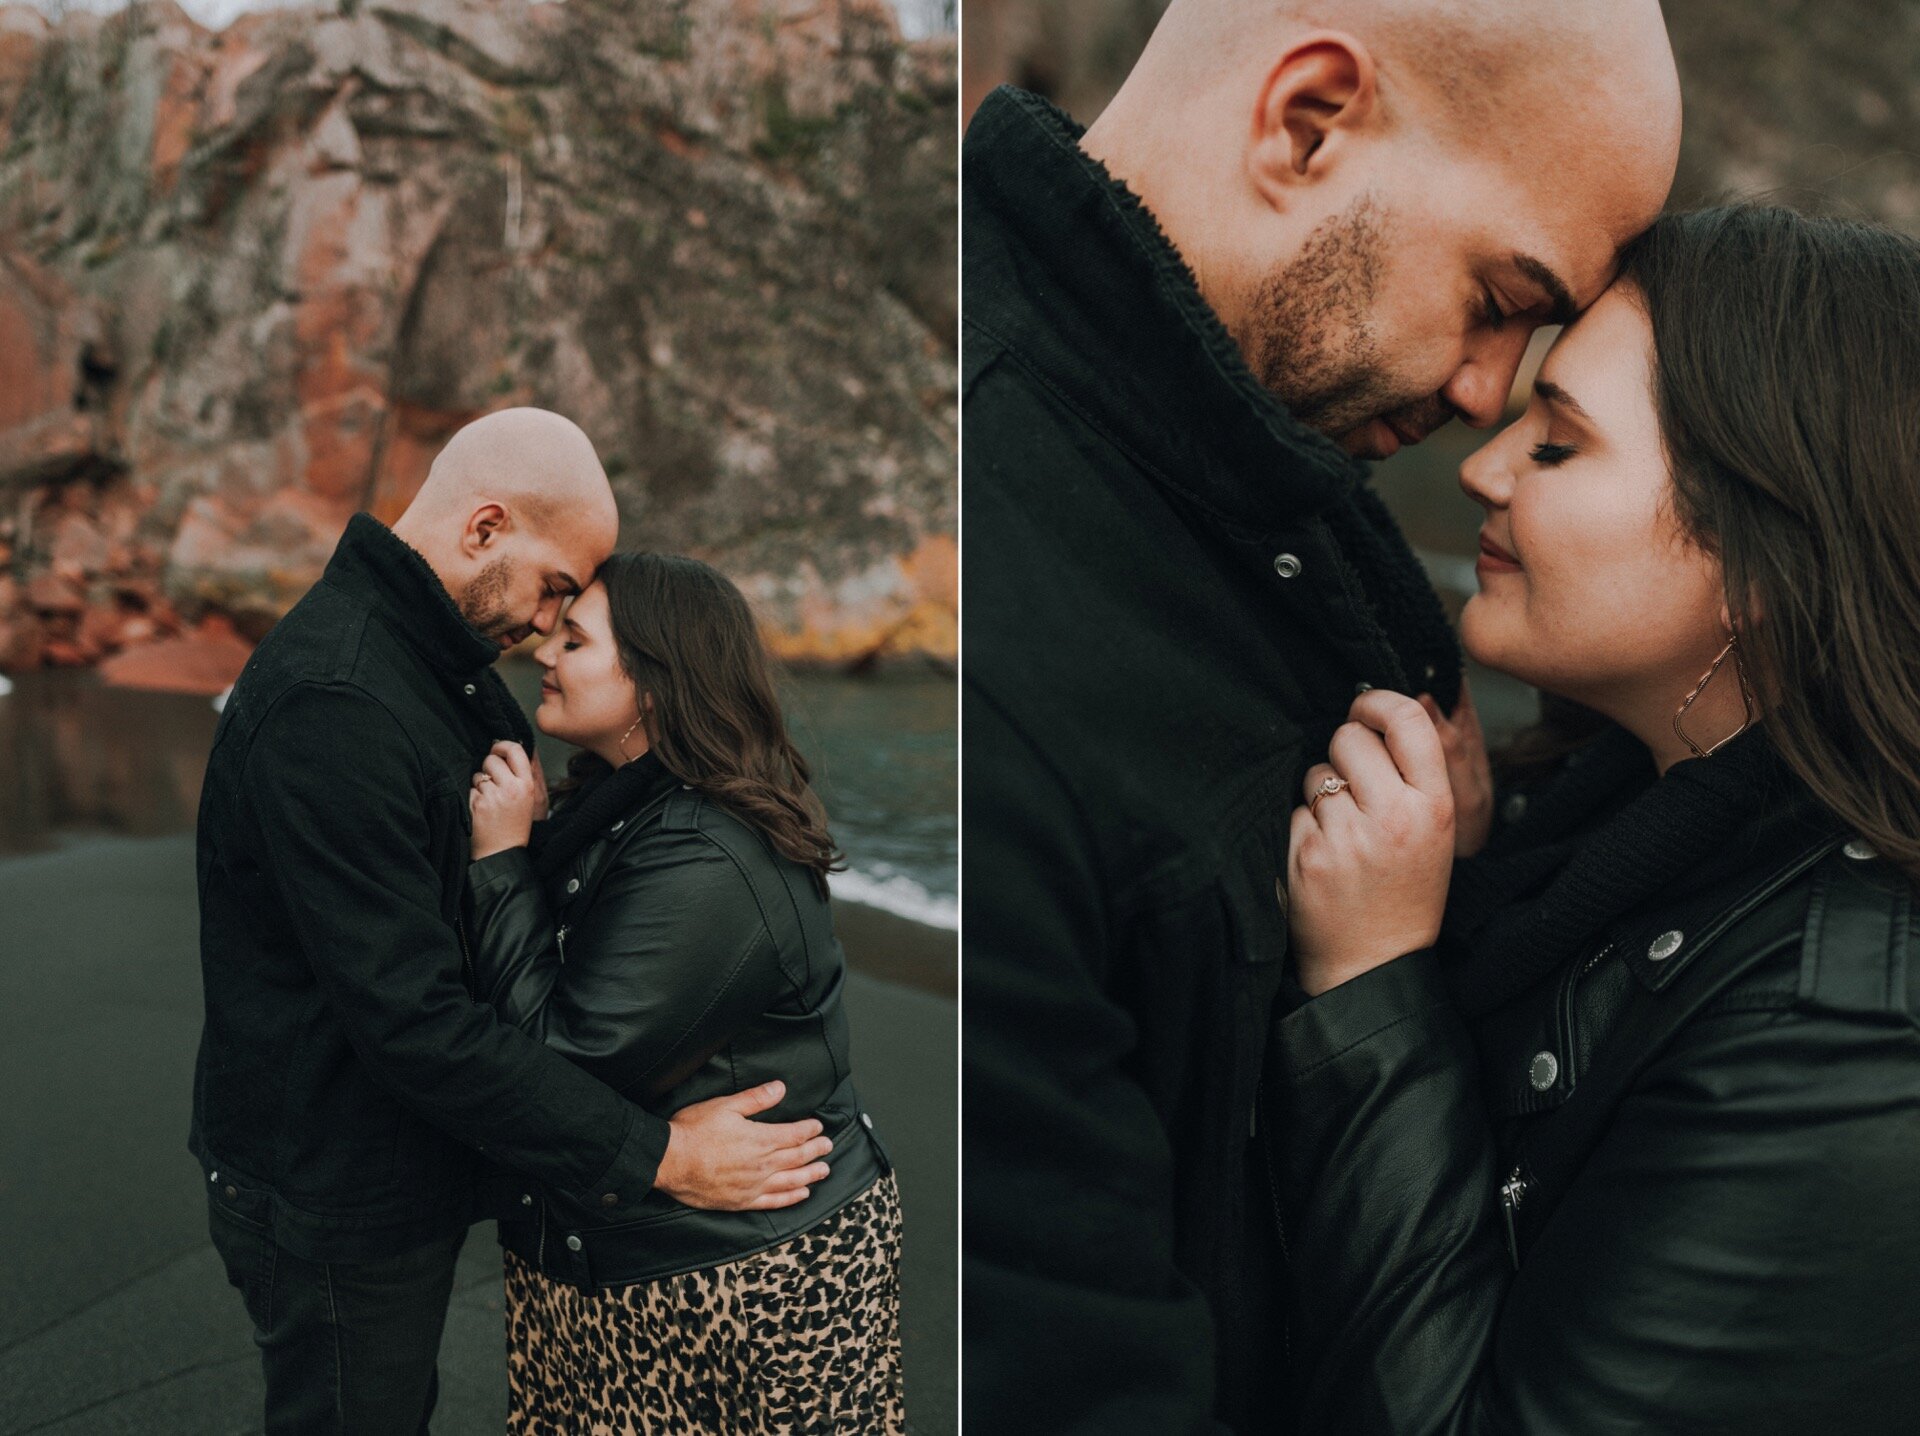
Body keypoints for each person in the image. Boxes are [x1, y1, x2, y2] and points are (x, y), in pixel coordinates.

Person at [961, 0, 1681, 1427]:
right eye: (1498, 297)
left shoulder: (1273, 484)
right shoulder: (1012, 647)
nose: (1487, 399)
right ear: (1307, 122)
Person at [1273, 206, 1920, 1433]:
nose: (1482, 464)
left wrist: (1370, 983)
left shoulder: (1847, 1041)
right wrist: (1463, 871)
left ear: (1766, 563)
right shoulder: (1621, 824)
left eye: (1558, 444)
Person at [191, 409, 832, 1434]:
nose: (544, 625)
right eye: (556, 590)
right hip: (334, 1184)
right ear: (485, 528)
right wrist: (659, 1155)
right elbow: (416, 1020)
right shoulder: (336, 702)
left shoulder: (443, 676)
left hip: (408, 1150)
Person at [460, 551, 904, 1433]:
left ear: (655, 688)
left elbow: (559, 1062)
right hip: (636, 1259)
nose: (544, 649)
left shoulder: (707, 855)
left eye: (576, 639)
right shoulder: (620, 809)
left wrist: (501, 863)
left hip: (739, 1288)